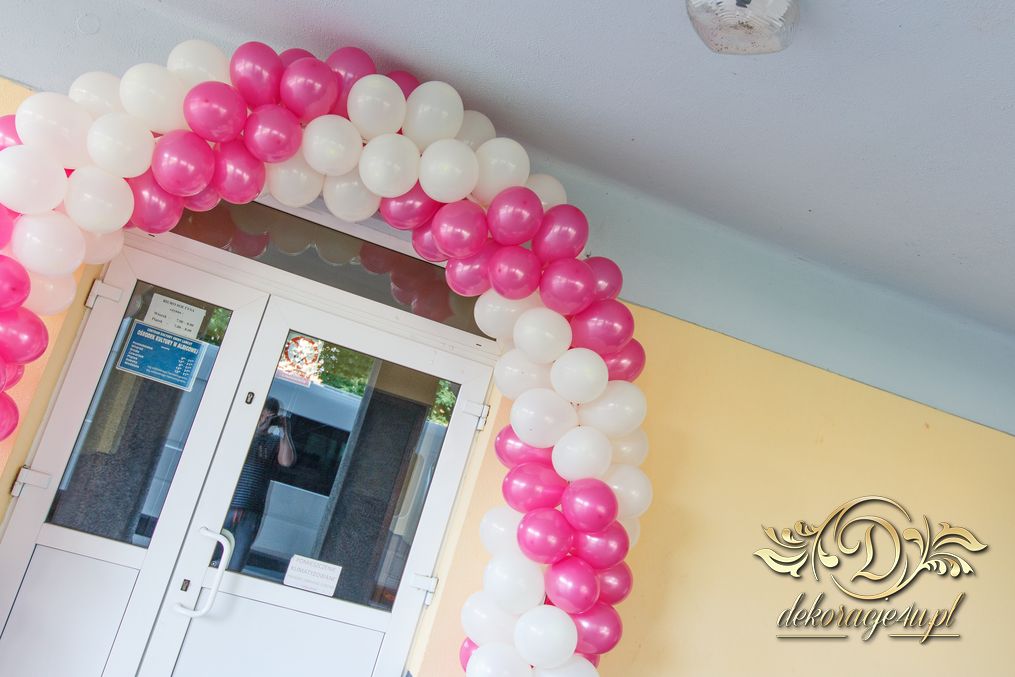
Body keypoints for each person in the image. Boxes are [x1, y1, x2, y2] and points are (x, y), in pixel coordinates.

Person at [222, 396, 295, 571]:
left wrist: (285, 431)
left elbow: (286, 461)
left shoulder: (274, 441)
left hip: (252, 510)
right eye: (261, 415)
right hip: (226, 504)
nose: (263, 420)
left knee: (236, 561)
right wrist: (255, 430)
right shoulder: (241, 433)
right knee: (207, 551)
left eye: (268, 417)